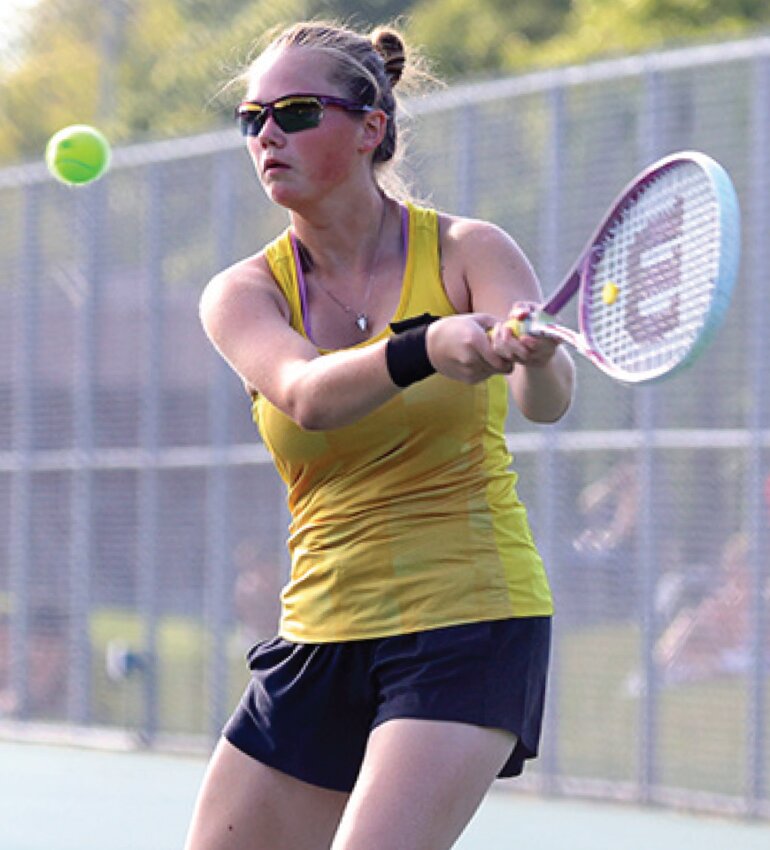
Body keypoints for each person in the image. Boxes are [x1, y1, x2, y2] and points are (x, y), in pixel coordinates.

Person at [187, 20, 575, 850]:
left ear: (371, 128)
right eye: (251, 119)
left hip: (472, 618)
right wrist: (429, 343)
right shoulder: (244, 293)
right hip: (321, 627)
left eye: (293, 112)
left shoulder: (472, 249)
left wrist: (532, 353)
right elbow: (306, 395)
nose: (266, 136)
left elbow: (549, 401)